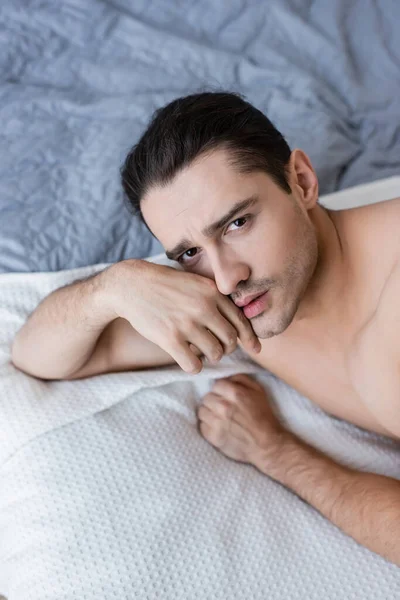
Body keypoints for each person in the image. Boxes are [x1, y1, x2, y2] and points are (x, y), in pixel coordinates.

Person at [11, 91, 400, 566]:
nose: (225, 277)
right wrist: (113, 287)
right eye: (188, 253)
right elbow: (37, 357)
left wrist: (276, 452)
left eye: (237, 223)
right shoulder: (235, 303)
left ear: (301, 181)